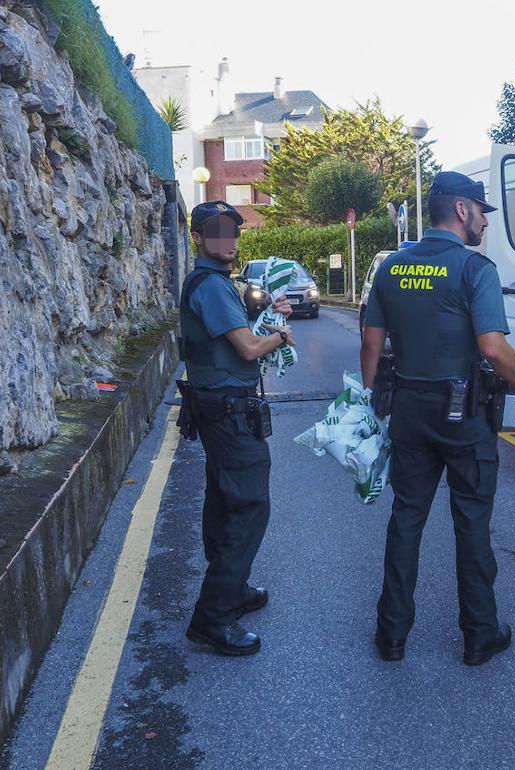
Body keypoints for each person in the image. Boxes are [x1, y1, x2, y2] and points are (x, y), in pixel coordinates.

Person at [360, 171, 515, 666]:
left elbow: (372, 343)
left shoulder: (392, 268)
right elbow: (492, 347)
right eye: (481, 211)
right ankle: (480, 634)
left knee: (407, 519)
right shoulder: (475, 270)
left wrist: (370, 397)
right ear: (462, 211)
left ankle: (391, 635)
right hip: (464, 414)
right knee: (472, 523)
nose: (483, 222)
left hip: (410, 410)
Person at [179, 200, 296, 656]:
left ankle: (235, 589)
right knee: (249, 506)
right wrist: (280, 336)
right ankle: (212, 618)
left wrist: (272, 317)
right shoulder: (210, 284)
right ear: (198, 238)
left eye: (233, 231)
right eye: (217, 231)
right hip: (228, 413)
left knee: (224, 500)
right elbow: (248, 349)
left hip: (221, 409)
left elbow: (235, 338)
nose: (227, 239)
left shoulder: (217, 283)